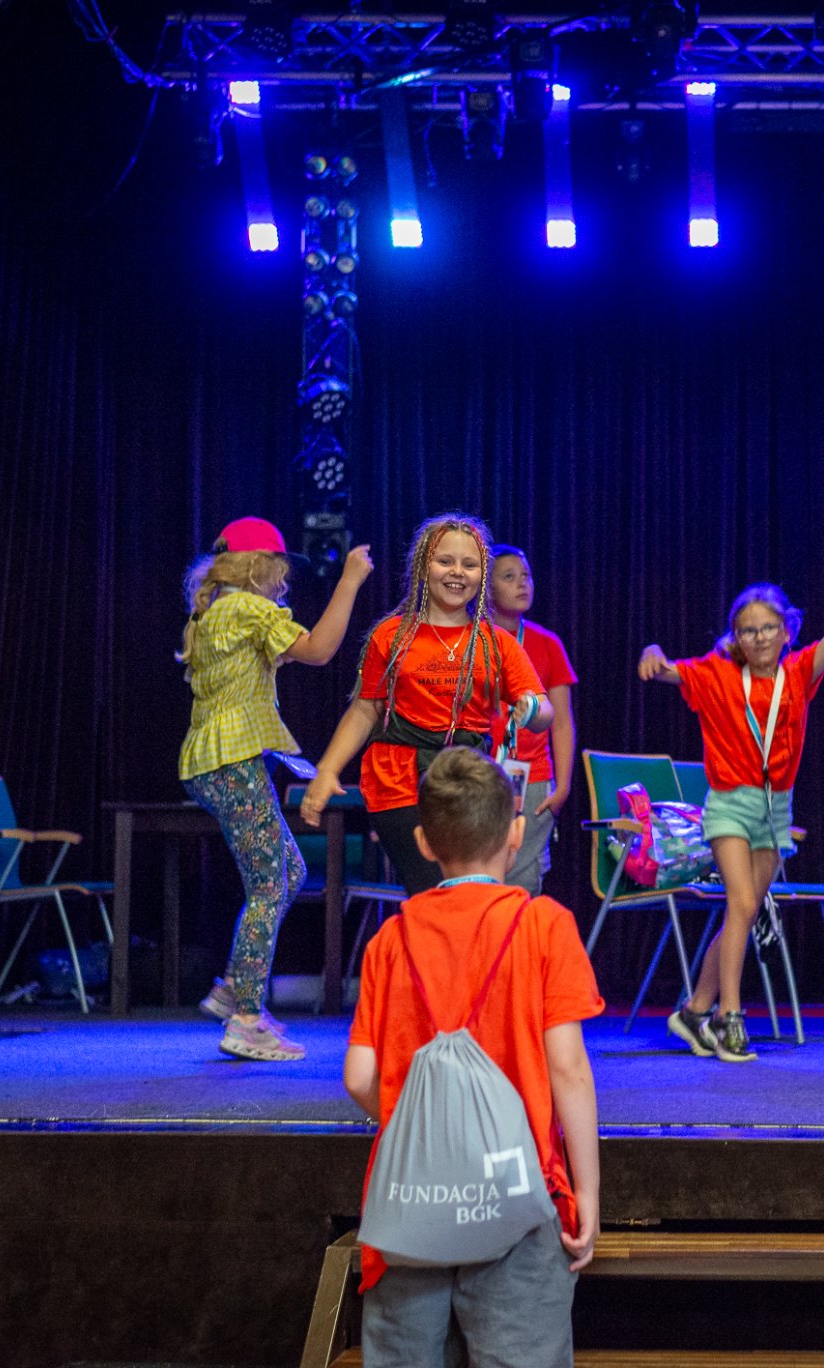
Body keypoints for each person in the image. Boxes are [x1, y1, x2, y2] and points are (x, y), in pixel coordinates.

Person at [345, 746, 603, 1364]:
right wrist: (589, 1192)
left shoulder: (390, 938)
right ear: (515, 834)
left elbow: (359, 1077)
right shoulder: (544, 926)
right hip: (520, 1189)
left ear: (424, 843)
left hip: (413, 1204)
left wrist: (428, 1128)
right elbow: (568, 1070)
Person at [638, 552, 824, 1062]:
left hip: (776, 808)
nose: (758, 638)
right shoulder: (715, 673)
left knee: (746, 910)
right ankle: (729, 1016)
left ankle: (694, 1009)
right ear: (735, 637)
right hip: (729, 805)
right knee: (740, 904)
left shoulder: (798, 673)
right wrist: (651, 652)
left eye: (768, 628)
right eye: (748, 630)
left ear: (786, 631)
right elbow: (664, 668)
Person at [177, 517, 373, 1062]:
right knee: (269, 883)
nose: (284, 579)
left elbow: (278, 656)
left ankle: (233, 988)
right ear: (257, 565)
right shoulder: (247, 607)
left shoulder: (218, 611)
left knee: (289, 873)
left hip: (216, 762)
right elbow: (319, 650)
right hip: (232, 762)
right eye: (279, 567)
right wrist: (349, 582)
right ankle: (245, 1019)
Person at [301, 513, 552, 895]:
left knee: (465, 895)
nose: (457, 572)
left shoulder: (495, 641)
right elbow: (364, 710)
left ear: (482, 575)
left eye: (469, 564)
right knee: (434, 893)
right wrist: (326, 771)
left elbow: (545, 712)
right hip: (398, 784)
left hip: (466, 784)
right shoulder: (391, 636)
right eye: (445, 561)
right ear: (423, 567)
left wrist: (532, 709)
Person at [485, 544, 578, 896]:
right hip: (481, 774)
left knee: (523, 879)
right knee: (482, 873)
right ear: (487, 589)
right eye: (509, 577)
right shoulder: (471, 640)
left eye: (526, 575)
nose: (522, 583)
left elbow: (562, 722)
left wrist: (562, 785)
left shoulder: (547, 643)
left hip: (533, 777)